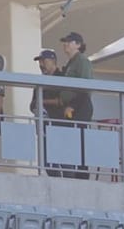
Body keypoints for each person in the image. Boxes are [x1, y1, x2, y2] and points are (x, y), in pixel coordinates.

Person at [54, 32, 94, 179]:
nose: (66, 44)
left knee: (79, 141)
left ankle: (81, 175)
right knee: (70, 141)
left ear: (78, 44)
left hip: (80, 106)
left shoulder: (82, 61)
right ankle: (72, 173)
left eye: (69, 42)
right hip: (70, 106)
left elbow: (85, 86)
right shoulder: (71, 63)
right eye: (65, 41)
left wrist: (74, 105)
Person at [31, 50, 69, 177]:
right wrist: (37, 105)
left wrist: (43, 101)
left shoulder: (62, 78)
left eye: (44, 61)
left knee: (64, 160)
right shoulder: (39, 82)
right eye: (40, 62)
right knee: (47, 162)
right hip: (44, 127)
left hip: (60, 126)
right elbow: (33, 103)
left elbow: (64, 100)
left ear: (53, 62)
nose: (41, 64)